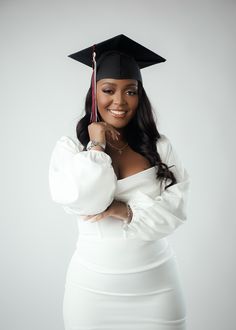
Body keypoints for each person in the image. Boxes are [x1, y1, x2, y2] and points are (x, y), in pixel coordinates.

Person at [48, 34, 190, 330]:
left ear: (140, 96)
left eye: (131, 92)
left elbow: (175, 213)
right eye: (109, 90)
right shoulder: (71, 149)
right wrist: (96, 145)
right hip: (91, 292)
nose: (119, 101)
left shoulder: (159, 147)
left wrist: (121, 210)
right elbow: (87, 200)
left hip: (157, 288)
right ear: (94, 93)